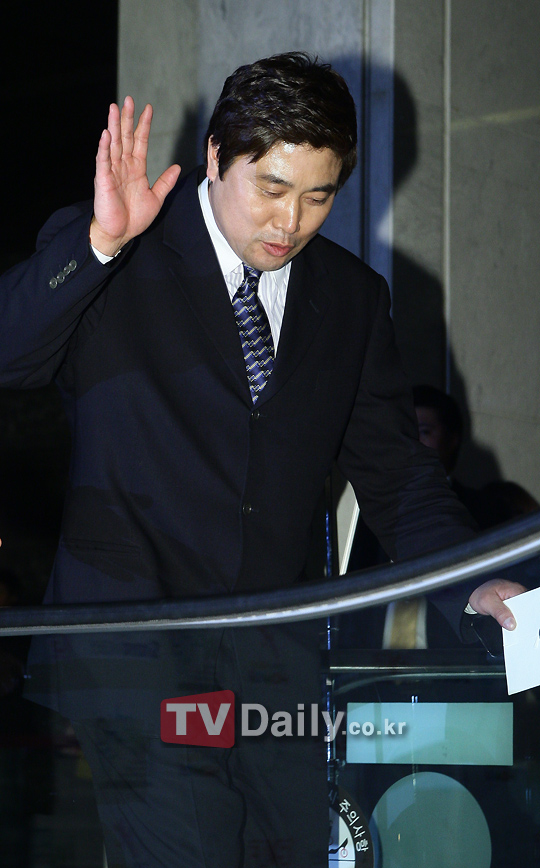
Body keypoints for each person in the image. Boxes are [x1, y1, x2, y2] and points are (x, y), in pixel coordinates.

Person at [0, 52, 524, 868]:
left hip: (275, 673)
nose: (291, 222)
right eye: (272, 188)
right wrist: (100, 245)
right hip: (137, 653)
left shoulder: (352, 298)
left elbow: (398, 475)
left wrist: (474, 582)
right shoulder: (120, 249)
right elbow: (11, 355)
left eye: (319, 196)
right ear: (215, 156)